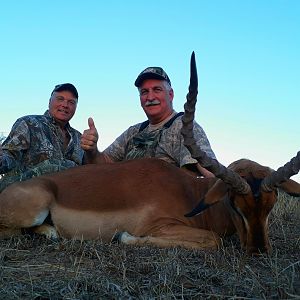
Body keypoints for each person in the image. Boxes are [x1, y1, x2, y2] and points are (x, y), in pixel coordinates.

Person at [86, 67, 215, 177]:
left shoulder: (184, 126)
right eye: (144, 92)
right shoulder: (134, 131)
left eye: (157, 90)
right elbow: (104, 164)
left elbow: (208, 170)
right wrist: (92, 150)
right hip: (122, 199)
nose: (150, 97)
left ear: (170, 95)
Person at [0, 83, 98, 192]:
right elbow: (9, 158)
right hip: (25, 198)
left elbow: (89, 173)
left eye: (71, 102)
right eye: (60, 99)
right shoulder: (28, 123)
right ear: (49, 102)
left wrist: (92, 151)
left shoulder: (79, 137)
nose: (65, 105)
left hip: (67, 202)